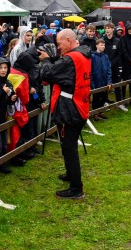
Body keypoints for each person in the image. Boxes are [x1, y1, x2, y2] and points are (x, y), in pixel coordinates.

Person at [37, 29, 91, 199]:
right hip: (80, 106)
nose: (58, 48)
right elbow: (64, 74)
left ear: (68, 40)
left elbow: (47, 74)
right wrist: (55, 61)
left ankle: (76, 189)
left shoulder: (71, 59)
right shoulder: (84, 54)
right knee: (68, 146)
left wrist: (46, 60)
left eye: (59, 44)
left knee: (69, 149)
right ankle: (70, 175)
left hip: (70, 110)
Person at [90, 38, 112, 122]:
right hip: (96, 81)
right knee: (96, 98)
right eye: (101, 45)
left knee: (103, 97)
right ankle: (95, 113)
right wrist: (92, 84)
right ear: (96, 45)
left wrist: (109, 81)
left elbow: (109, 69)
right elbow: (90, 71)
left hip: (104, 81)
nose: (103, 47)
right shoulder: (92, 57)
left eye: (104, 45)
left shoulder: (105, 57)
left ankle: (101, 112)